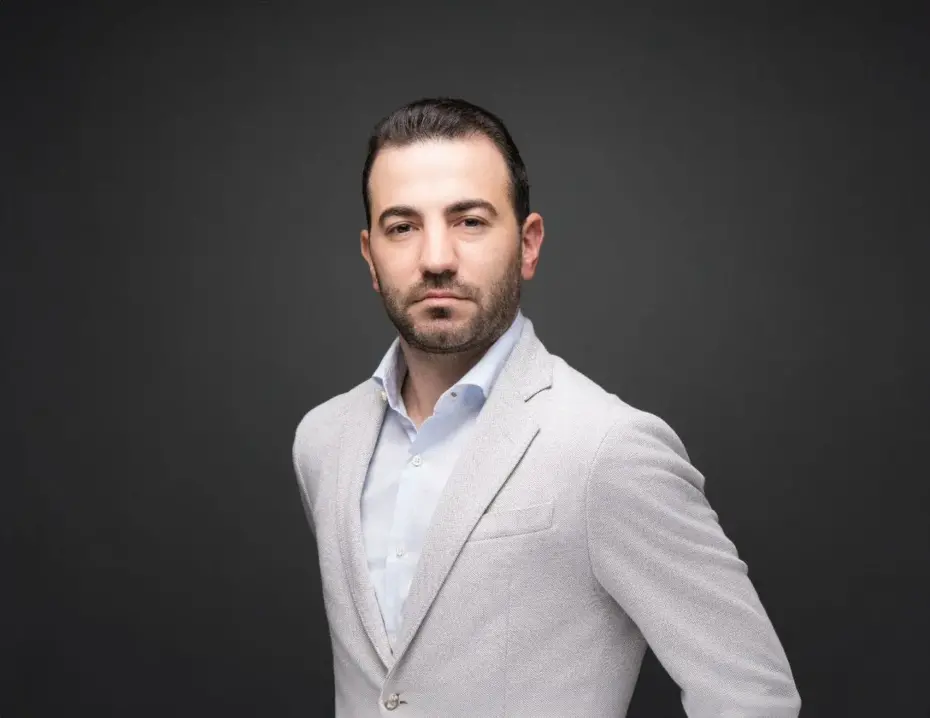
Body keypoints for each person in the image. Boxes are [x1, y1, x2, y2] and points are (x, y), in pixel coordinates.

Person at [291, 97, 801, 717]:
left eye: (469, 221)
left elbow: (752, 694)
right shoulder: (324, 440)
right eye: (402, 227)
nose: (436, 258)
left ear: (528, 245)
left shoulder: (607, 448)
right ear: (371, 256)